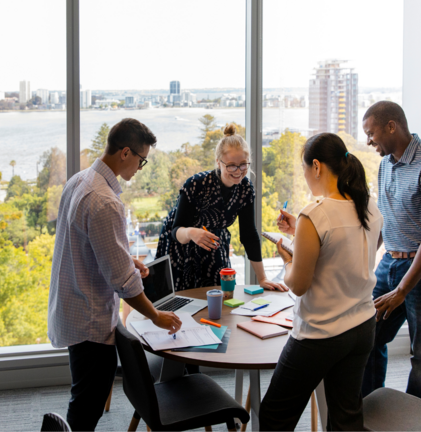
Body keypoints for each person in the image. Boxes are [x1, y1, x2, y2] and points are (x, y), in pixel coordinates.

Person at [47, 118, 182, 431]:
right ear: (125, 153)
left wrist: (124, 258)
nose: (140, 168)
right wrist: (155, 316)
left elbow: (84, 244)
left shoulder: (80, 181)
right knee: (86, 407)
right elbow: (123, 282)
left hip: (72, 308)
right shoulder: (104, 201)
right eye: (141, 160)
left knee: (83, 397)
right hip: (90, 320)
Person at [259, 133, 382, 431]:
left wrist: (288, 260)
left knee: (274, 415)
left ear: (316, 166)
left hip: (321, 334)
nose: (305, 176)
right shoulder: (369, 205)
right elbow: (349, 250)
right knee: (345, 417)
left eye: (304, 169)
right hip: (362, 326)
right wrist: (300, 233)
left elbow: (298, 285)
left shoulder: (314, 214)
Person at [361, 101, 421, 401]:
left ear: (391, 126)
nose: (369, 141)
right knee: (367, 336)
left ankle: (416, 419)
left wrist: (402, 290)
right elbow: (386, 218)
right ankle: (370, 410)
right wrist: (363, 259)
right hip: (391, 262)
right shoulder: (385, 164)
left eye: (371, 133)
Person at [156, 124, 286, 292]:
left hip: (214, 243)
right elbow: (176, 230)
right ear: (218, 162)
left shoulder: (245, 188)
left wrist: (262, 278)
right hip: (182, 244)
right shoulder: (196, 184)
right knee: (184, 298)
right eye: (231, 165)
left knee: (220, 294)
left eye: (243, 164)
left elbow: (249, 235)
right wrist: (191, 233)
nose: (238, 171)